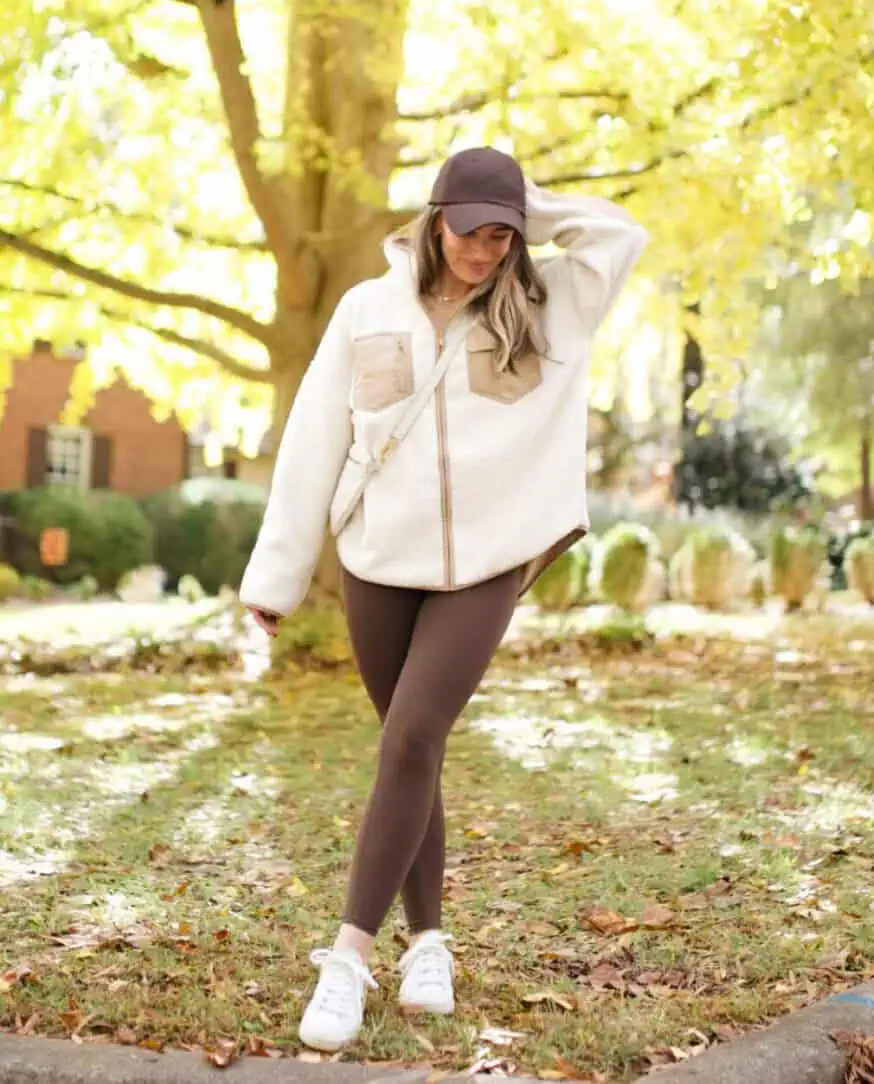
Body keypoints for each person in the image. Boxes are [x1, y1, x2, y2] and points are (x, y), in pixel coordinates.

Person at [239, 146, 648, 1052]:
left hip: (487, 566)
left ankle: (346, 956)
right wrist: (275, 579)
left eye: (502, 233)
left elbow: (623, 235)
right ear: (435, 218)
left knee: (415, 736)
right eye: (471, 227)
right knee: (406, 753)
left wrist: (520, 201)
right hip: (378, 563)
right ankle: (429, 944)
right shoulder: (366, 309)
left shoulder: (548, 307)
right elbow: (313, 443)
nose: (485, 247)